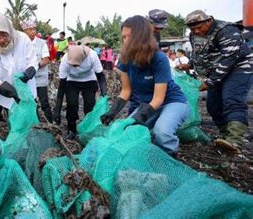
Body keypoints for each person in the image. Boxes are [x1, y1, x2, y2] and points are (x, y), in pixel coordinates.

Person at [100, 15, 190, 156]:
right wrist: (112, 112)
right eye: (123, 37)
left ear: (141, 36)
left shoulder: (159, 58)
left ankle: (170, 156)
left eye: (129, 36)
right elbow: (126, 91)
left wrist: (142, 115)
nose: (125, 41)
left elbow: (159, 98)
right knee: (128, 131)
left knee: (162, 132)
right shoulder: (125, 60)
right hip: (147, 104)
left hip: (172, 102)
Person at [184, 10, 253, 153]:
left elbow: (230, 58)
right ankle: (226, 135)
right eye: (192, 28)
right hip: (216, 70)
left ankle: (235, 140)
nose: (196, 31)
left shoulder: (227, 30)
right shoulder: (194, 35)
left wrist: (209, 82)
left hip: (238, 67)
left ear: (209, 20)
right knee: (213, 105)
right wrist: (189, 64)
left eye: (199, 27)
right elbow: (200, 53)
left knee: (232, 99)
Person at [0, 13, 38, 131]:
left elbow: (32, 60)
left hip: (24, 90)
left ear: (9, 30)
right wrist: (0, 85)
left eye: (4, 35)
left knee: (28, 120)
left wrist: (31, 70)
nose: (1, 40)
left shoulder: (22, 39)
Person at [59, 44, 106, 139]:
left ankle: (88, 129)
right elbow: (62, 85)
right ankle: (71, 129)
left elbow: (100, 76)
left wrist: (104, 92)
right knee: (72, 104)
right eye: (72, 65)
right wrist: (57, 108)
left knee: (89, 105)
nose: (75, 67)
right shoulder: (64, 60)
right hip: (72, 81)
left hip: (89, 80)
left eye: (76, 65)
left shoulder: (92, 56)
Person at [22, 20, 53, 122]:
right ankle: (35, 123)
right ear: (24, 31)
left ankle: (50, 123)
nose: (33, 31)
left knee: (44, 101)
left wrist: (34, 66)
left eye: (34, 29)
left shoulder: (42, 43)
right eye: (30, 29)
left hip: (40, 78)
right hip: (27, 79)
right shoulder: (21, 43)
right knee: (31, 102)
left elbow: (46, 59)